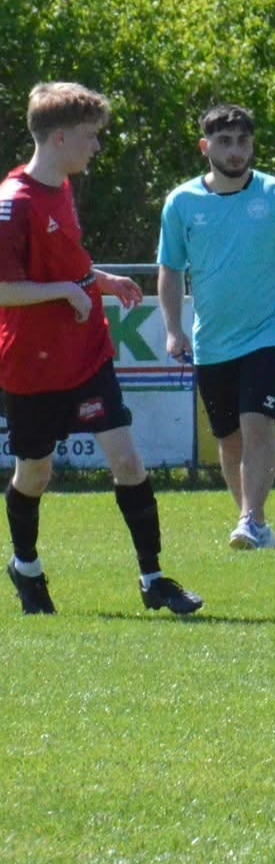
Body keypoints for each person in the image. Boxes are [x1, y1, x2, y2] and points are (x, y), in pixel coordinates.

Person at [2, 84, 202, 616]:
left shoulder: (63, 187)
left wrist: (98, 279)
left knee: (127, 459)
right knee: (35, 474)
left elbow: (66, 260)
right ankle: (25, 566)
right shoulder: (12, 202)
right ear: (60, 136)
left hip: (86, 354)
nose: (97, 147)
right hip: (30, 366)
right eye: (91, 137)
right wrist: (65, 292)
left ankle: (154, 577)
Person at [157, 104, 275, 550]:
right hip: (212, 341)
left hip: (269, 333)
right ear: (205, 146)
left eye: (243, 141)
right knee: (228, 437)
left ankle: (249, 520)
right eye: (225, 141)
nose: (235, 151)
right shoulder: (181, 202)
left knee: (258, 423)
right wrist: (173, 329)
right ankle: (256, 522)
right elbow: (170, 270)